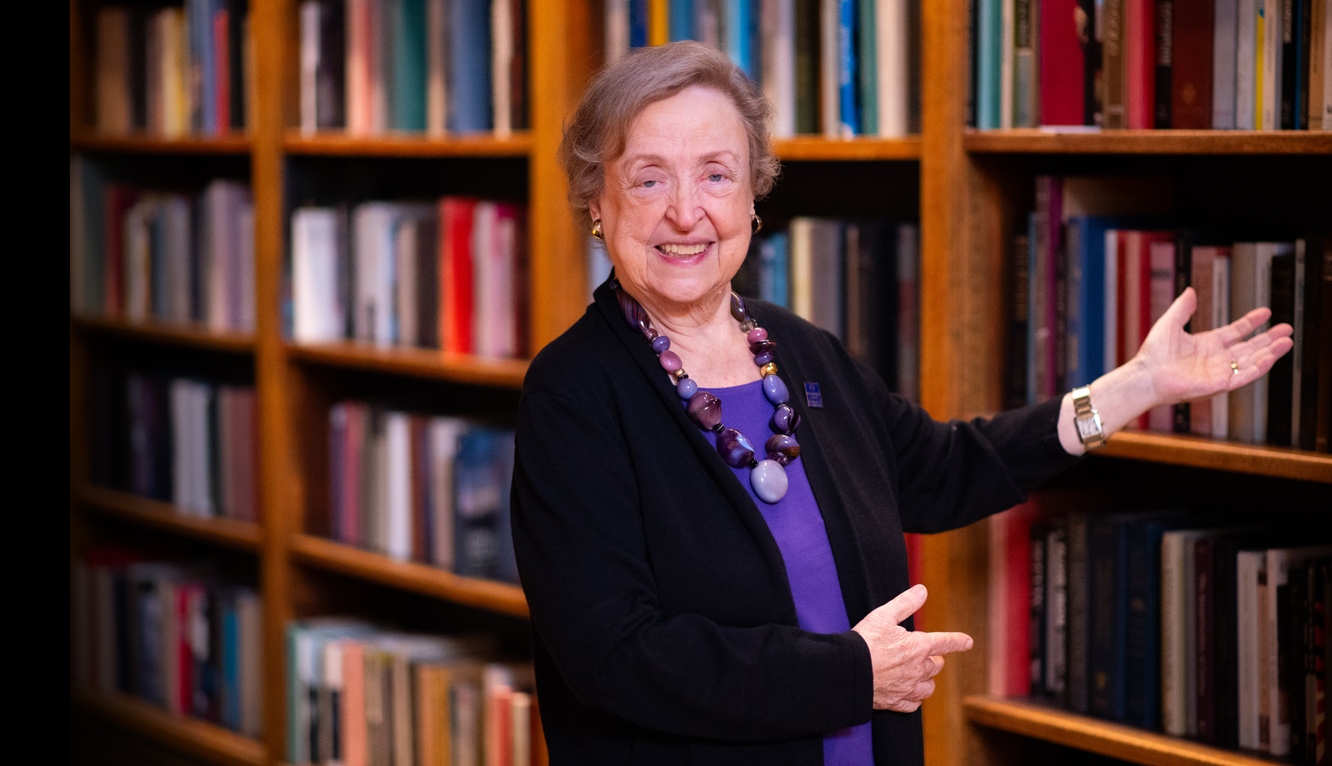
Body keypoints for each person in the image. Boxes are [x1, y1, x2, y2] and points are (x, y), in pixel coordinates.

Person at [508, 41, 1292, 766]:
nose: (686, 212)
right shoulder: (574, 393)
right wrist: (852, 674)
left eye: (716, 173)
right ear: (596, 205)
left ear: (753, 198)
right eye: (649, 178)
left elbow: (944, 469)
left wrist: (1134, 389)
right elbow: (614, 657)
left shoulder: (800, 349)